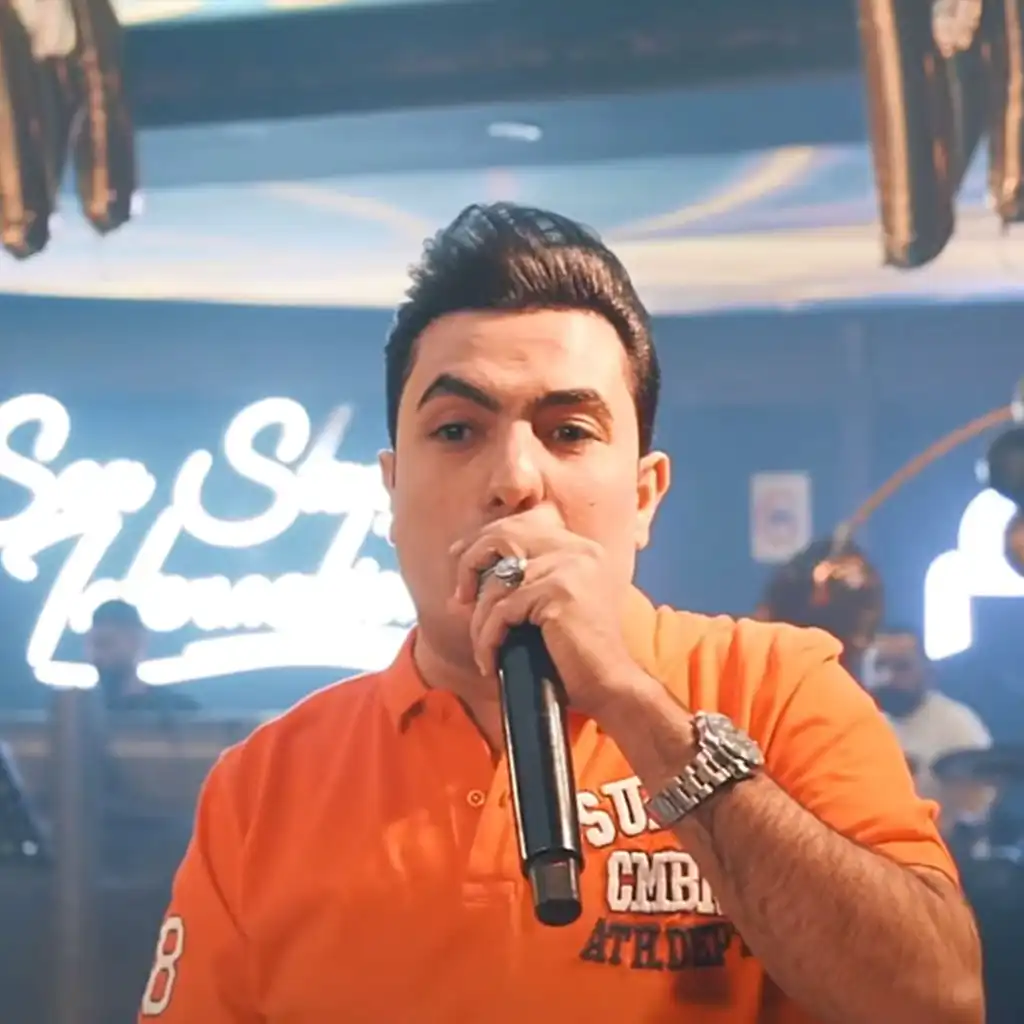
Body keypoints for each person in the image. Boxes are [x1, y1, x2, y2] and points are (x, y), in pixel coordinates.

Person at [138, 205, 982, 1024]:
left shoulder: (777, 688)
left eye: (569, 431)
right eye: (457, 430)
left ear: (644, 496)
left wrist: (632, 702)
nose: (515, 480)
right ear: (392, 492)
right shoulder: (266, 784)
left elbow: (937, 1001)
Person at [862, 626, 992, 829]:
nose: (888, 677)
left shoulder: (958, 725)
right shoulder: (856, 725)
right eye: (879, 665)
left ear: (928, 671)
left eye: (902, 667)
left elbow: (975, 812)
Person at [87, 599, 199, 712]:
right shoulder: (81, 711)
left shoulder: (178, 709)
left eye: (107, 643)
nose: (100, 655)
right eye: (95, 645)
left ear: (136, 641)